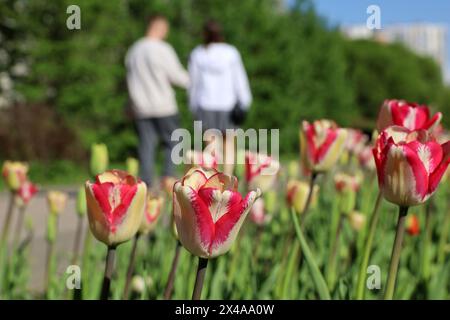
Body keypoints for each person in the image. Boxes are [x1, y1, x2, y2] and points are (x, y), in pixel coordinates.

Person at [125, 14, 189, 187]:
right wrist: (195, 82)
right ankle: (168, 178)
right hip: (164, 106)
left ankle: (145, 183)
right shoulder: (162, 49)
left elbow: (129, 80)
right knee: (174, 141)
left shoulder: (134, 50)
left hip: (141, 106)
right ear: (159, 27)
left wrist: (129, 104)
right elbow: (176, 76)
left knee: (146, 144)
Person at [188, 20, 252, 176]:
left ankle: (213, 177)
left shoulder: (198, 54)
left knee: (211, 146)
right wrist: (245, 101)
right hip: (227, 105)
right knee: (229, 144)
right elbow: (239, 79)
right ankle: (228, 178)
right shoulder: (231, 52)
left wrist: (192, 105)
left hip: (206, 104)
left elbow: (193, 83)